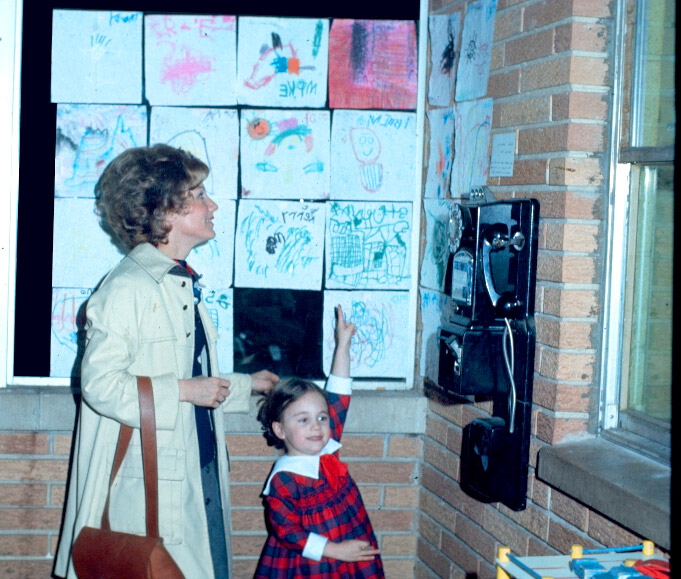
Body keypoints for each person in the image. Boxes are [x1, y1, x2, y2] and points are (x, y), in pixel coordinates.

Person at [54, 144, 279, 579]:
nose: (211, 205)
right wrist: (184, 390)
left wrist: (248, 385)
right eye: (198, 194)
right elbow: (100, 386)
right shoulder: (127, 288)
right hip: (150, 490)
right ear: (165, 212)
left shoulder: (177, 280)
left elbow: (190, 380)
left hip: (196, 469)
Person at [255, 305, 384, 579]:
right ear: (279, 430)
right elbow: (287, 531)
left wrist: (343, 345)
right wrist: (336, 551)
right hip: (312, 563)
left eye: (322, 418)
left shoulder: (327, 445)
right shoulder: (284, 479)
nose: (316, 426)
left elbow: (338, 392)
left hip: (348, 548)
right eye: (303, 420)